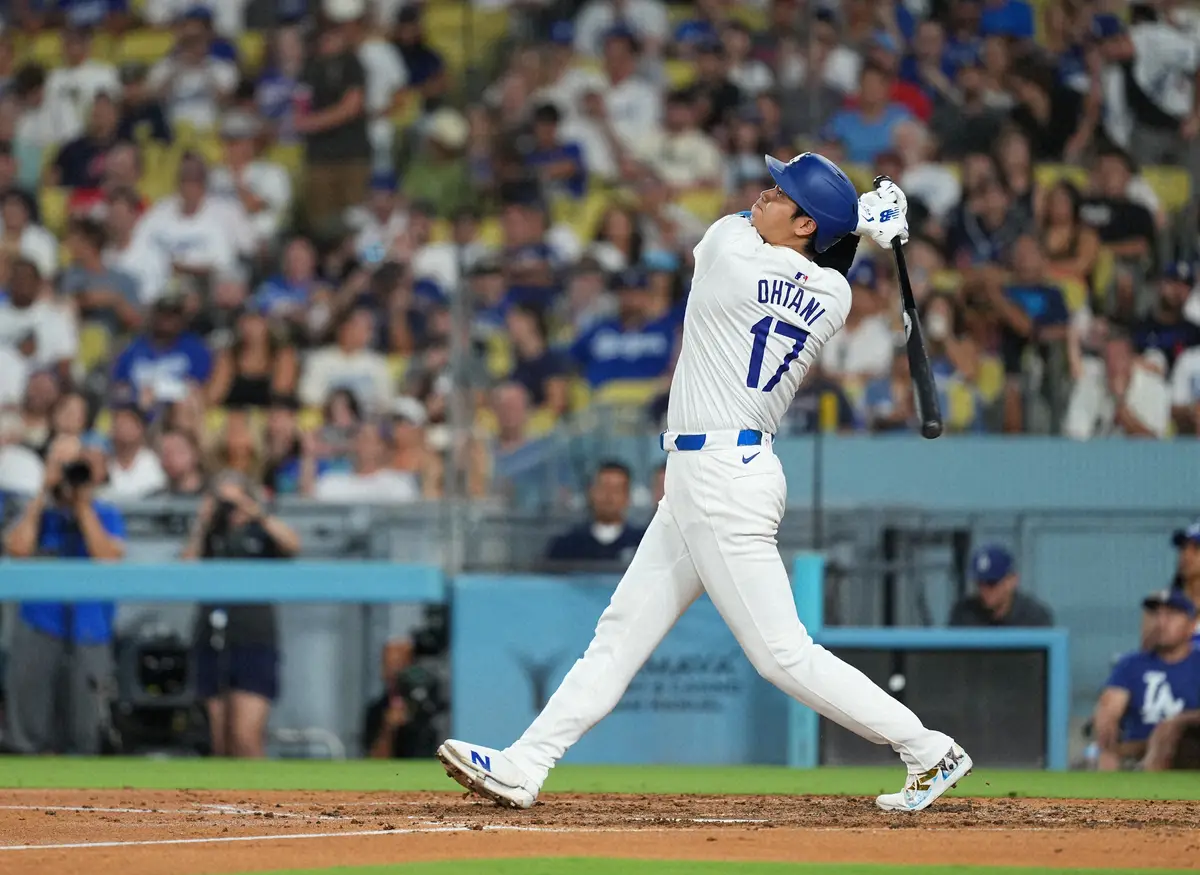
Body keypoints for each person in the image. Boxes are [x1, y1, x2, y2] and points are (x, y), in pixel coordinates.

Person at [439, 157, 972, 812]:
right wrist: (864, 228)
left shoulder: (729, 252)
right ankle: (526, 762)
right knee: (619, 633)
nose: (765, 193)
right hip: (718, 476)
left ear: (805, 223)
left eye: (784, 195)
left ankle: (924, 746)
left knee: (782, 654)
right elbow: (823, 267)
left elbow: (764, 239)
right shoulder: (835, 298)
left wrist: (860, 220)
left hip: (721, 479)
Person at [2, 434, 126, 754]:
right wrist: (44, 490)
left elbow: (108, 557)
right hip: (39, 624)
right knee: (27, 731)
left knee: (85, 733)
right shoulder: (39, 514)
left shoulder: (106, 513)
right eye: (62, 462)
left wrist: (82, 503)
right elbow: (17, 548)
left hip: (89, 627)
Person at [181, 471, 301, 758]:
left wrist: (256, 513)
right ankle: (224, 802)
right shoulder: (210, 536)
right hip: (212, 638)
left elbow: (293, 545)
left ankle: (263, 801)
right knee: (220, 740)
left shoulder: (261, 532)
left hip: (254, 638)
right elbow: (184, 569)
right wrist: (203, 523)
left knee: (245, 737)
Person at [1092, 591, 1200, 771]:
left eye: (1171, 615)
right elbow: (1110, 705)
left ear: (1191, 625)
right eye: (1156, 615)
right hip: (1137, 751)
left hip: (1188, 752)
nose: (1161, 623)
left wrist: (1177, 722)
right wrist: (1106, 726)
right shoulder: (1131, 664)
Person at [544, 461, 644, 567]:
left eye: (616, 490)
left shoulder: (643, 543)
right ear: (591, 492)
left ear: (627, 497)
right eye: (604, 488)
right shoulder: (567, 545)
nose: (609, 497)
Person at [948, 544, 1054, 627]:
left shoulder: (1033, 617)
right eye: (980, 583)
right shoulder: (964, 613)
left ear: (1012, 580)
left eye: (992, 583)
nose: (985, 590)